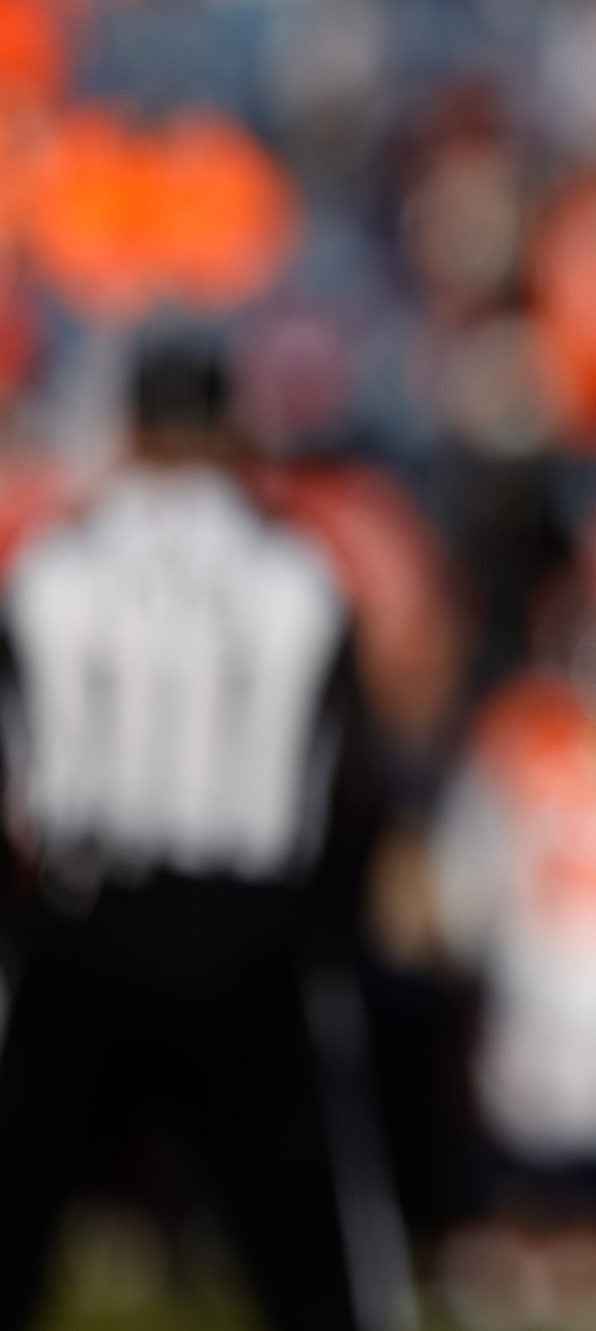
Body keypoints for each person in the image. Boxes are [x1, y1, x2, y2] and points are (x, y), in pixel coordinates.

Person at [0, 338, 408, 1331]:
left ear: (132, 430)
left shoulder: (50, 567)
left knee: (12, 1214)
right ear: (232, 431)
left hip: (85, 912)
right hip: (248, 929)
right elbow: (352, 785)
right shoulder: (303, 575)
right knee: (311, 1250)